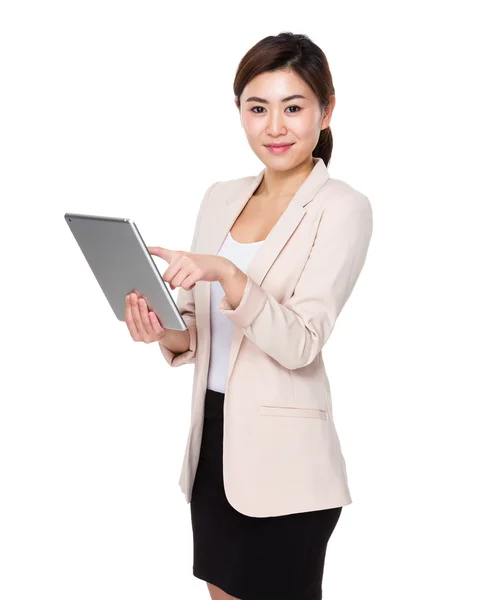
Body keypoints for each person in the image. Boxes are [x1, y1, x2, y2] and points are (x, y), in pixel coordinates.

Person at [125, 31, 373, 600]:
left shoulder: (342, 208)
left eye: (294, 107)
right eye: (257, 108)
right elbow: (197, 329)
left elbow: (302, 342)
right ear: (239, 111)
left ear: (326, 111)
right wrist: (162, 329)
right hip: (214, 442)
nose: (275, 126)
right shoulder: (220, 196)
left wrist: (231, 275)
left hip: (286, 461)